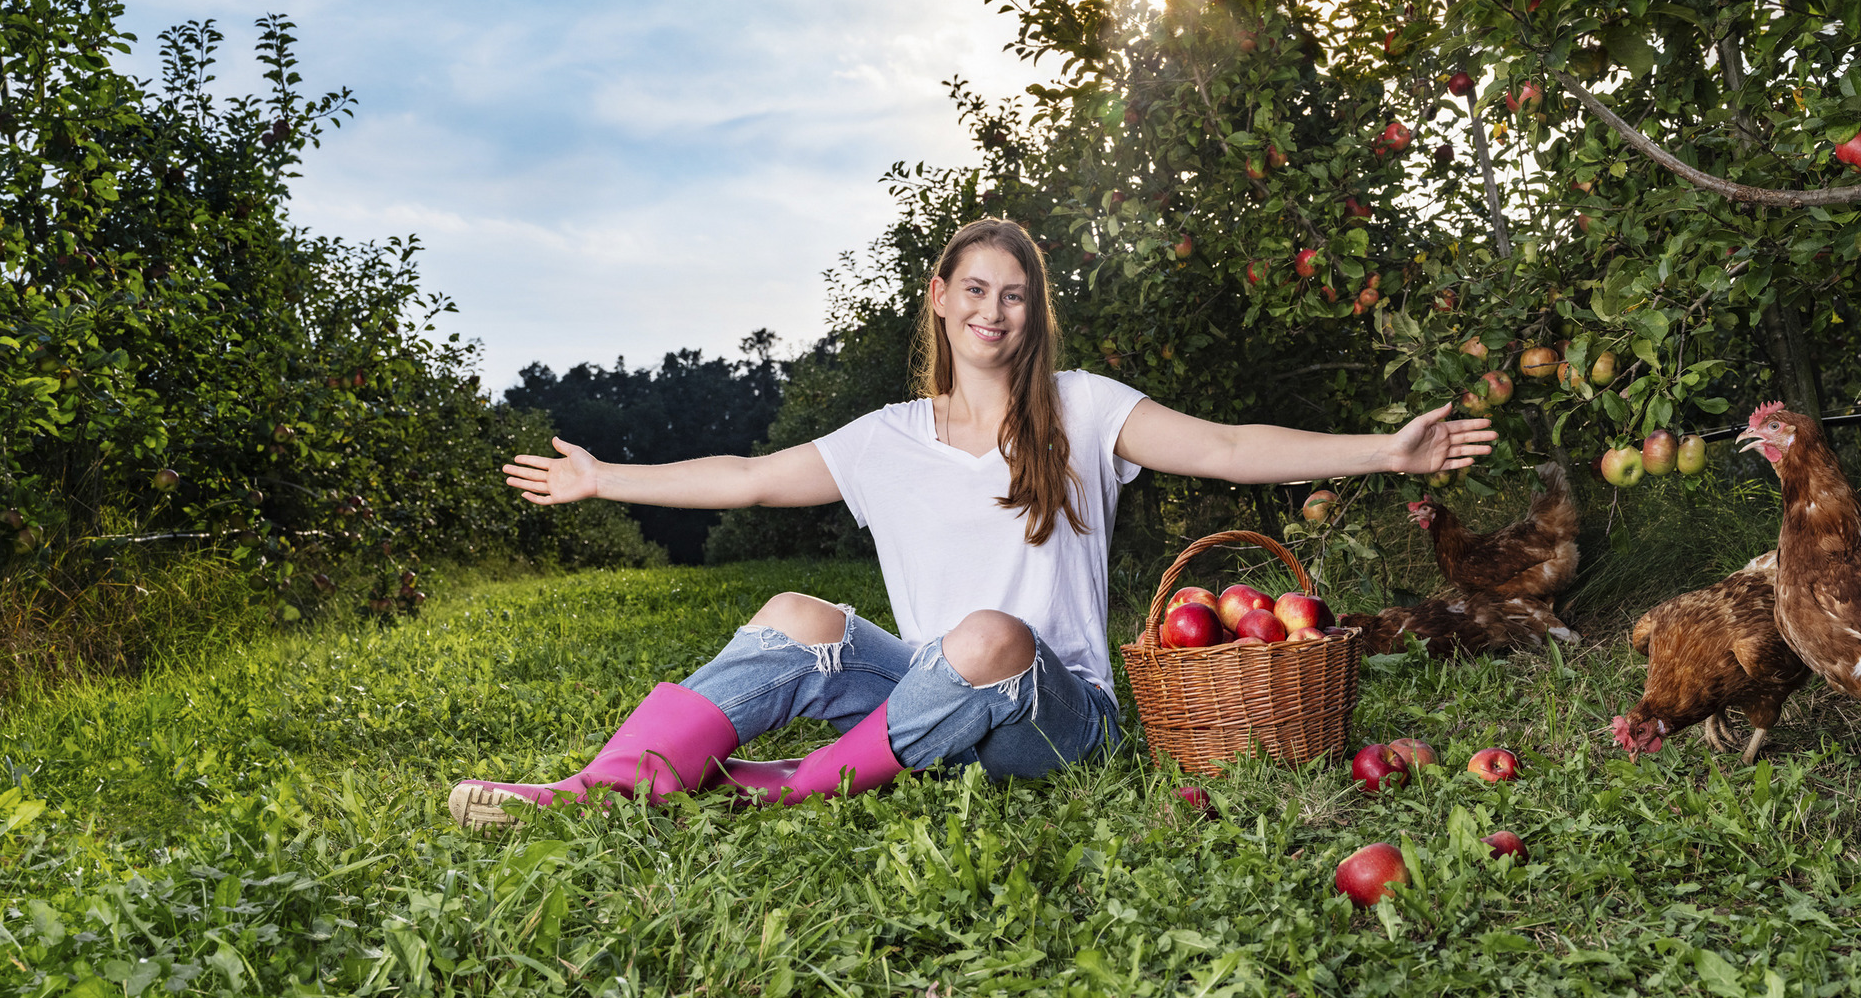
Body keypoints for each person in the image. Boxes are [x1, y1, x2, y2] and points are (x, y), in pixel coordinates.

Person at [449, 218, 1494, 828]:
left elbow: (1225, 446)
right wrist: (606, 478)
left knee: (989, 634)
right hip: (925, 684)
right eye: (978, 290)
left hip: (1060, 710)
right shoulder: (886, 439)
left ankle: (784, 789)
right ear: (941, 297)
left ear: (1034, 314)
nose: (996, 311)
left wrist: (1383, 450)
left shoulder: (1083, 409)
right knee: (796, 611)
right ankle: (597, 790)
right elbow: (754, 477)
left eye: (1017, 296)